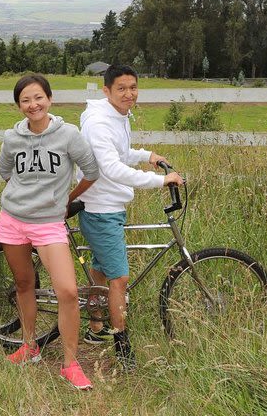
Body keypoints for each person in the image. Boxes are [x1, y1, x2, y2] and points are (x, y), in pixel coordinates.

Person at [77, 64, 184, 369]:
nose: (129, 94)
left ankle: (95, 328)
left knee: (100, 269)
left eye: (133, 87)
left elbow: (120, 152)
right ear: (106, 90)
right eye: (121, 88)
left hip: (109, 206)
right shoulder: (99, 123)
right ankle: (123, 351)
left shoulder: (117, 116)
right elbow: (111, 168)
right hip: (101, 209)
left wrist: (146, 155)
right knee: (119, 280)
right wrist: (159, 181)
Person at [0, 74, 99, 390]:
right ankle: (30, 346)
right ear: (18, 106)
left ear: (50, 99)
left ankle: (70, 364)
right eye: (25, 100)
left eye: (38, 97)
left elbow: (92, 171)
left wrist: (65, 199)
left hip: (49, 224)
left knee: (67, 291)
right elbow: (5, 172)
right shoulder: (12, 139)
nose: (33, 104)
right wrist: (26, 194)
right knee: (24, 283)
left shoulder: (68, 135)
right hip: (12, 219)